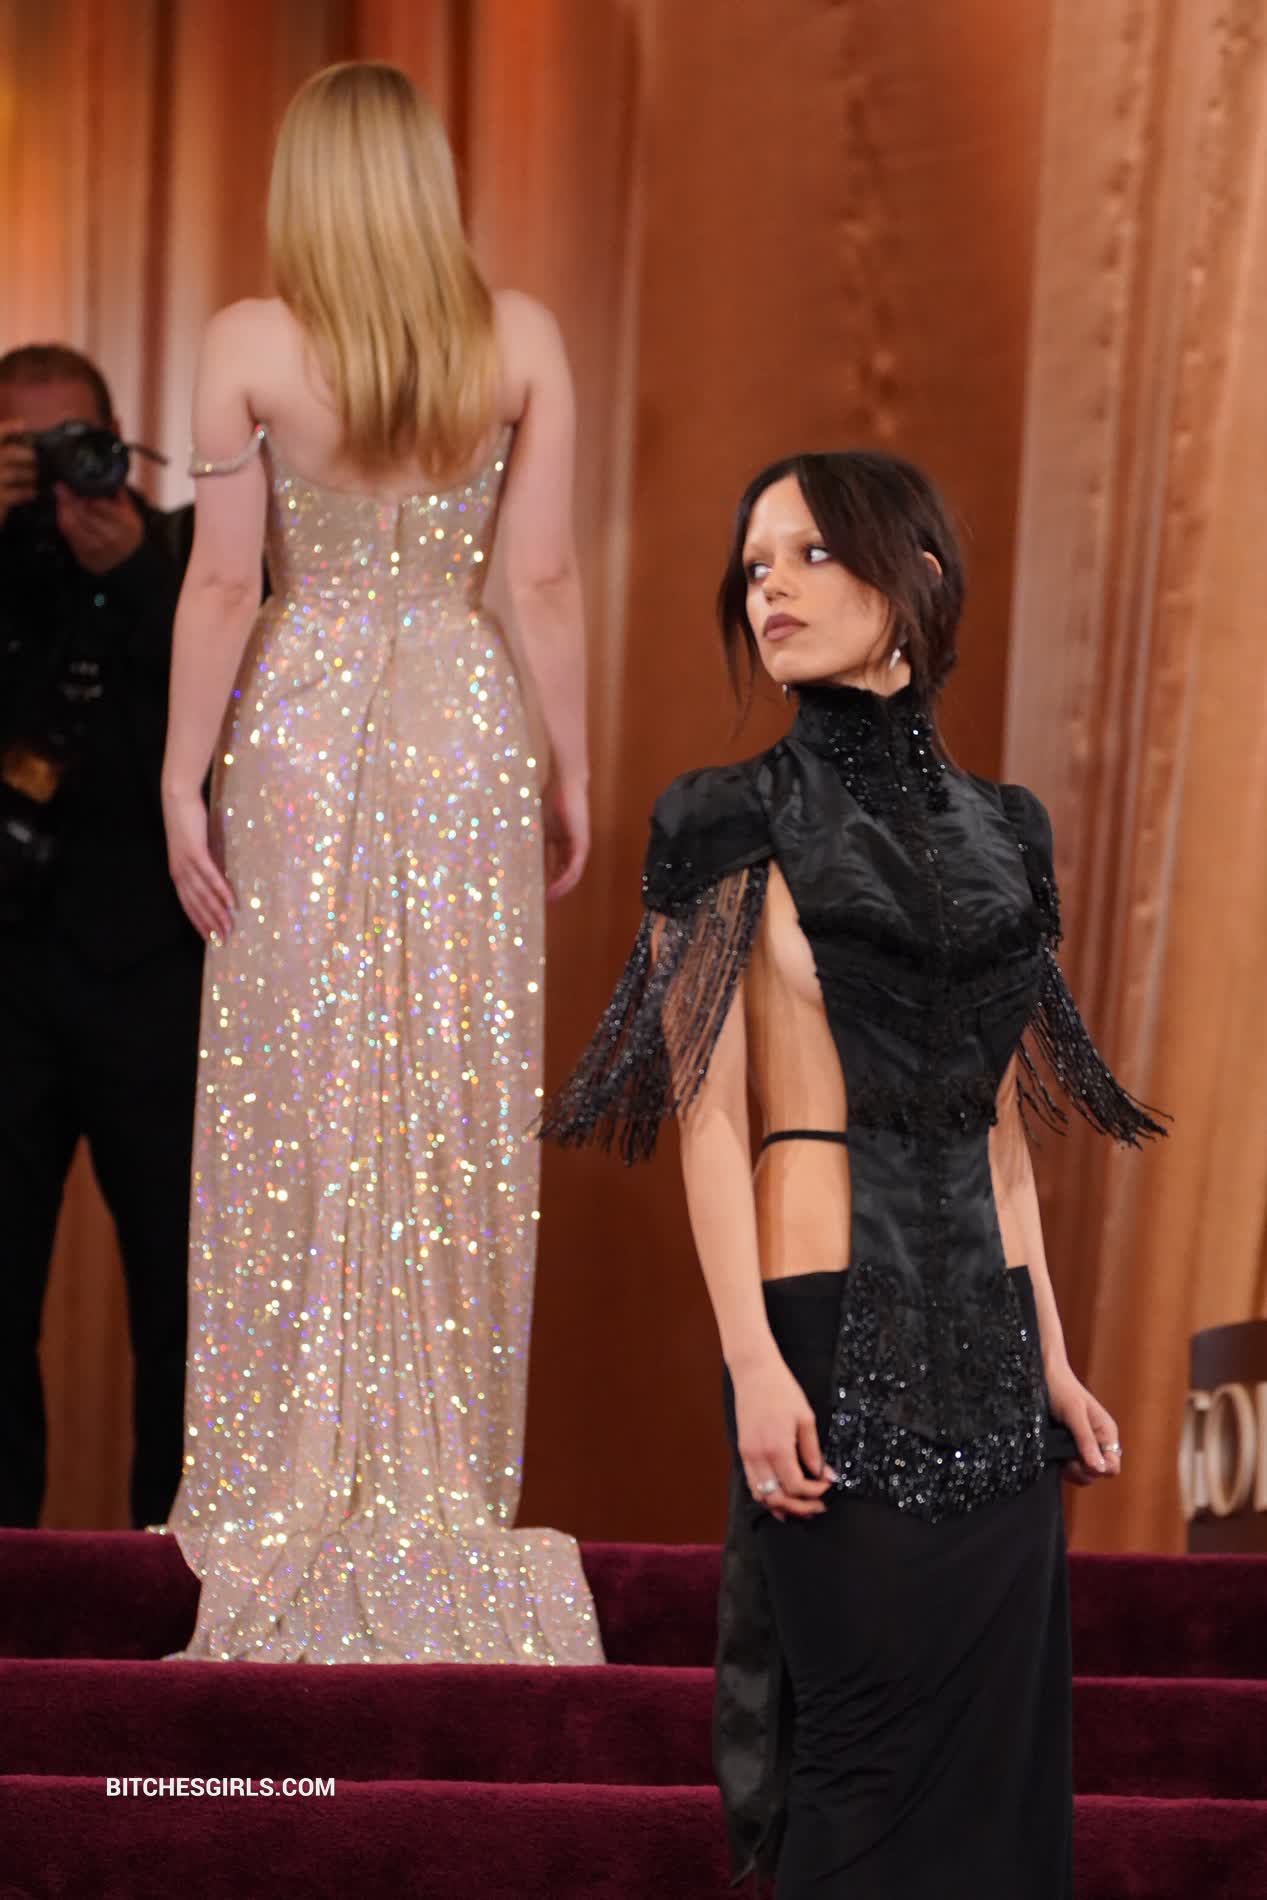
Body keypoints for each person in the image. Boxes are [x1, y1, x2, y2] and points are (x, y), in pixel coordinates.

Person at [540, 452, 1166, 1894]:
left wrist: (1054, 1362)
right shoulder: (722, 816)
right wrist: (752, 1364)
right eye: (754, 563)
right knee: (862, 1758)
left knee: (1001, 1763)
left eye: (810, 553)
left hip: (993, 1353)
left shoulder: (1008, 830)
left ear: (914, 578)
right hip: (822, 1327)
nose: (769, 586)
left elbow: (998, 1130)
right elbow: (705, 1116)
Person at [161, 61, 600, 1665]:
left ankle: (280, 1456)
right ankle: (436, 1470)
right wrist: (568, 759)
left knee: (293, 1077)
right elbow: (536, 578)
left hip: (297, 717)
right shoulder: (518, 339)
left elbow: (223, 585)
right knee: (446, 1084)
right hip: (463, 726)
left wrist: (179, 775)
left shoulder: (246, 344)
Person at [0, 344, 200, 1530]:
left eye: (72, 443)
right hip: (8, 978)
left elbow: (231, 727)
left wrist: (135, 579)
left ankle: (171, 1578)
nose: (54, 472)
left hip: (156, 978)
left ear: (118, 442)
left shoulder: (183, 558)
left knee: (182, 1305)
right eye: (23, 452)